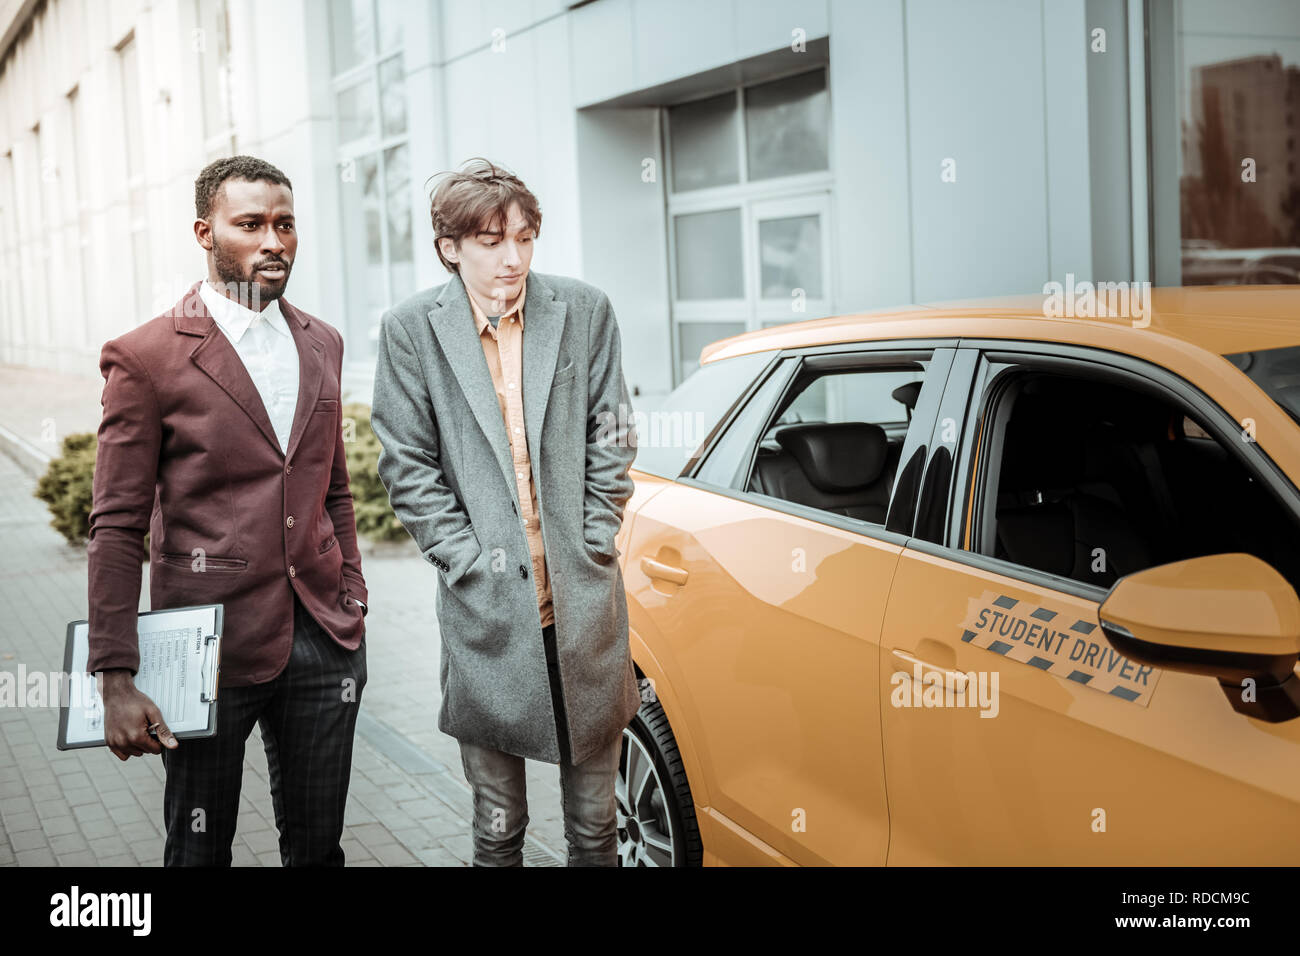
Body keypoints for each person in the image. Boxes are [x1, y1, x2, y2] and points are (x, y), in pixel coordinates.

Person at [86, 155, 369, 866]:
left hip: (323, 643)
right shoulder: (145, 357)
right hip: (205, 651)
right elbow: (116, 526)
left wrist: (353, 594)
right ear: (205, 232)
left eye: (285, 225)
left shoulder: (322, 342)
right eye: (251, 225)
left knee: (318, 849)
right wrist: (115, 678)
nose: (273, 241)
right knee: (199, 851)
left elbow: (332, 486)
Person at [369, 157, 639, 866]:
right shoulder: (411, 331)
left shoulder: (583, 311)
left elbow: (612, 433)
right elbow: (407, 464)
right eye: (491, 240)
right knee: (498, 832)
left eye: (524, 237)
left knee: (596, 830)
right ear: (450, 247)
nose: (512, 257)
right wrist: (465, 560)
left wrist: (595, 537)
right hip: (485, 614)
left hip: (582, 605)